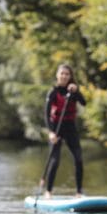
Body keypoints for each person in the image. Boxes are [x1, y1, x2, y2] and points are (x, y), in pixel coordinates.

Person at [43, 63, 86, 198]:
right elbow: (46, 113)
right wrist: (50, 132)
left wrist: (77, 91)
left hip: (70, 128)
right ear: (57, 75)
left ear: (70, 76)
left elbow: (84, 102)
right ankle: (48, 191)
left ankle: (79, 192)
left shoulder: (72, 91)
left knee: (78, 159)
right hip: (56, 128)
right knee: (54, 161)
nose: (64, 76)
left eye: (67, 74)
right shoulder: (53, 92)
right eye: (62, 73)